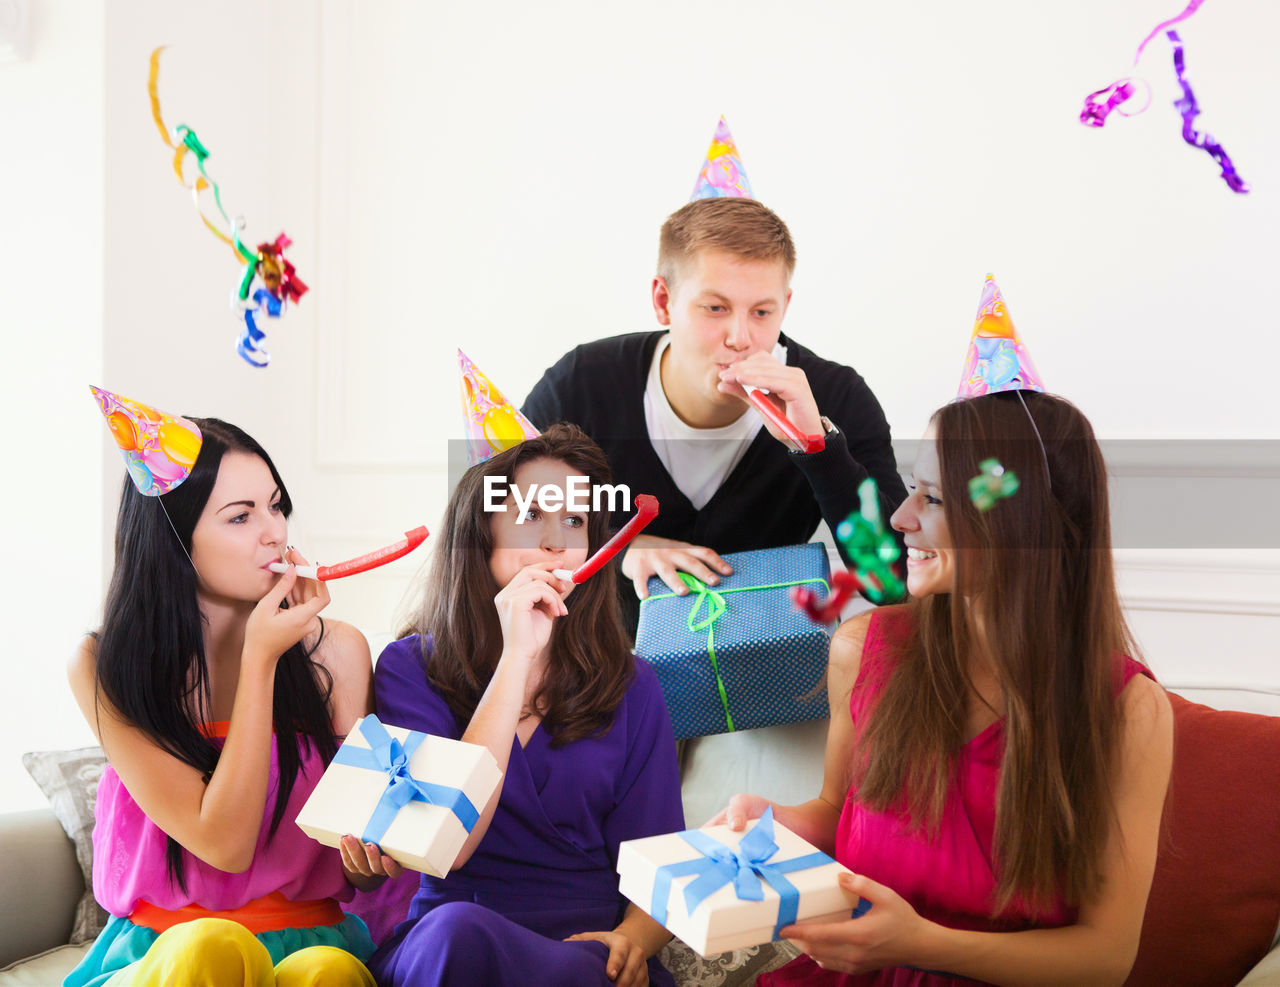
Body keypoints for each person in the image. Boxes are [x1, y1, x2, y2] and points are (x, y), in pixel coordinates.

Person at [713, 391, 1175, 985]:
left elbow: (1105, 958)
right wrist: (771, 822)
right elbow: (836, 812)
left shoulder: (1130, 711)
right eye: (913, 489)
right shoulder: (864, 649)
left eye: (931, 498)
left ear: (1020, 518)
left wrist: (922, 945)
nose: (901, 518)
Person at [67, 405, 398, 987]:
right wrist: (260, 661)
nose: (275, 531)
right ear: (174, 537)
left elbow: (364, 870)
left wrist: (376, 856)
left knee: (331, 973)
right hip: (169, 955)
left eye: (276, 506)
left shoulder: (340, 653)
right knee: (209, 948)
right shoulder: (103, 664)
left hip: (311, 942)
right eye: (241, 516)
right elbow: (223, 843)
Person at [369, 424, 684, 987]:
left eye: (574, 522)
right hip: (453, 938)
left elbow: (659, 866)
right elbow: (449, 845)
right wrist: (516, 659)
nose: (555, 542)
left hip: (584, 950)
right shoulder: (408, 667)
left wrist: (633, 941)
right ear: (478, 529)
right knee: (456, 933)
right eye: (530, 516)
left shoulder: (633, 684)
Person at [521, 195, 907, 633]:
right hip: (598, 667)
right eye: (715, 308)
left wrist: (818, 449)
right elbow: (497, 537)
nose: (741, 338)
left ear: (786, 304)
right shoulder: (582, 384)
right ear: (664, 301)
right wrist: (621, 550)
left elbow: (893, 583)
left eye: (762, 312)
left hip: (767, 667)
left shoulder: (838, 397)